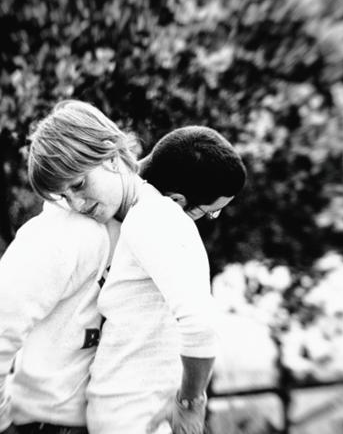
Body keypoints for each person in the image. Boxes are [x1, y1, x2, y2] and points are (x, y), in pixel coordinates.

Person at [0, 100, 138, 434]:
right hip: (55, 424)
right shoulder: (67, 233)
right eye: (64, 195)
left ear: (111, 155)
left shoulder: (144, 221)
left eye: (78, 184)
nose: (76, 203)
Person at [86, 126, 246, 434]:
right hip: (137, 417)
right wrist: (190, 403)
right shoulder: (161, 218)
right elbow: (200, 325)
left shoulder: (136, 215)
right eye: (210, 213)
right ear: (177, 199)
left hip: (122, 410)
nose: (209, 220)